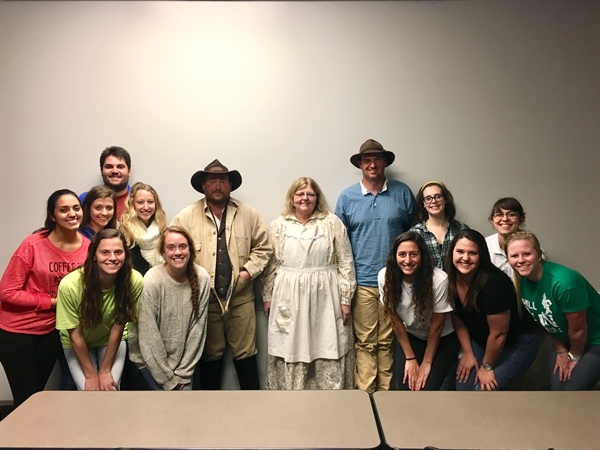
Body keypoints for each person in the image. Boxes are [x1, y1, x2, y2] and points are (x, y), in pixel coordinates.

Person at [171, 159, 272, 390]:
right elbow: (173, 250)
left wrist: (247, 274)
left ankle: (254, 410)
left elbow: (264, 248)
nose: (217, 185)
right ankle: (208, 413)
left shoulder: (249, 214)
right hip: (205, 301)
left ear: (230, 185)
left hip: (242, 299)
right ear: (204, 186)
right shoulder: (186, 216)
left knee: (246, 355)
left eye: (222, 181)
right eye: (212, 181)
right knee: (209, 356)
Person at [335, 138, 416, 393]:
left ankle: (384, 398)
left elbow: (414, 236)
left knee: (386, 341)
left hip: (396, 281)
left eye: (377, 159)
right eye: (367, 160)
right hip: (363, 283)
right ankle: (367, 398)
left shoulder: (402, 192)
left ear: (384, 162)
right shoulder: (347, 197)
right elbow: (339, 244)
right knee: (366, 343)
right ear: (360, 164)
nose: (372, 165)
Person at [262, 177, 356, 390]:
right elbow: (272, 265)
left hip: (326, 296)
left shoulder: (331, 223)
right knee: (291, 346)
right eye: (300, 194)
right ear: (292, 198)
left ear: (317, 198)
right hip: (288, 294)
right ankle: (292, 402)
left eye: (310, 194)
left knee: (328, 343)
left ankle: (329, 403)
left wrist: (345, 298)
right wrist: (267, 296)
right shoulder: (278, 226)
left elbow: (346, 262)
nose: (305, 198)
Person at [0, 189, 89, 406]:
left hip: (51, 331)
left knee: (36, 396)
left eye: (76, 208)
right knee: (25, 398)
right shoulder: (34, 244)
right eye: (64, 210)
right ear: (52, 216)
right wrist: (51, 303)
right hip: (16, 332)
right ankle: (17, 440)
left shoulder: (88, 247)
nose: (72, 214)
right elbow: (6, 292)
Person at [505, 230, 600, 390]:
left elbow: (578, 330)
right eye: (514, 256)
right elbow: (544, 319)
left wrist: (574, 357)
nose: (521, 260)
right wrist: (561, 350)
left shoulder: (564, 282)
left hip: (594, 340)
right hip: (566, 342)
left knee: (570, 392)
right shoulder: (521, 280)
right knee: (557, 391)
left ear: (539, 254)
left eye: (527, 254)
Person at [446, 229, 538, 390]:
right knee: (464, 389)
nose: (465, 258)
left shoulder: (495, 283)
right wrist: (468, 353)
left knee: (482, 390)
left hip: (517, 341)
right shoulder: (448, 280)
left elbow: (499, 333)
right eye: (460, 251)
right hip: (481, 340)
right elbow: (457, 318)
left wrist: (486, 367)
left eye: (472, 253)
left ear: (481, 255)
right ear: (451, 253)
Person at [55, 229, 143, 390]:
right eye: (105, 252)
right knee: (90, 391)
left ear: (125, 255)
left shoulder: (134, 280)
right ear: (94, 255)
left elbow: (119, 325)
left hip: (110, 339)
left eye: (118, 252)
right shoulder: (70, 285)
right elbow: (75, 335)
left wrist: (104, 370)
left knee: (110, 389)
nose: (112, 258)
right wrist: (91, 375)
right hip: (78, 341)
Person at [128, 226, 210, 390]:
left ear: (190, 249)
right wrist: (167, 378)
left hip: (183, 369)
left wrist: (183, 373)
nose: (177, 252)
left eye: (182, 246)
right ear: (163, 252)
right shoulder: (153, 279)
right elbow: (148, 334)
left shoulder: (202, 278)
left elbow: (197, 331)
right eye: (171, 247)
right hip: (150, 362)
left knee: (184, 412)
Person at [379, 232, 459, 390]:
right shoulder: (385, 276)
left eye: (414, 254)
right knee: (406, 386)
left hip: (443, 338)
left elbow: (437, 325)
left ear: (422, 256)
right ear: (394, 257)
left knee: (425, 388)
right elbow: (394, 319)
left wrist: (427, 363)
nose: (407, 260)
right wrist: (410, 358)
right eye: (402, 254)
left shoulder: (439, 279)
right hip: (412, 336)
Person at [410, 181, 468, 270]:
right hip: (427, 283)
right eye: (428, 198)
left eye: (438, 196)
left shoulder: (461, 229)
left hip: (457, 282)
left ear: (445, 200)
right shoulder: (414, 233)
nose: (433, 201)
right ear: (423, 204)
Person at [118, 182, 167, 276]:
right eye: (140, 202)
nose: (146, 207)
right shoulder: (124, 232)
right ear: (132, 204)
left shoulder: (162, 228)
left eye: (150, 202)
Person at [80, 146, 132, 220]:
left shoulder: (140, 201)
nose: (115, 171)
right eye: (109, 167)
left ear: (129, 171)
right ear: (101, 171)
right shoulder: (85, 199)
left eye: (120, 167)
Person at [484, 197, 527, 279]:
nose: (505, 219)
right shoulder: (484, 245)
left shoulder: (531, 247)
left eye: (511, 214)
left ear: (521, 219)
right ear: (492, 220)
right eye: (499, 215)